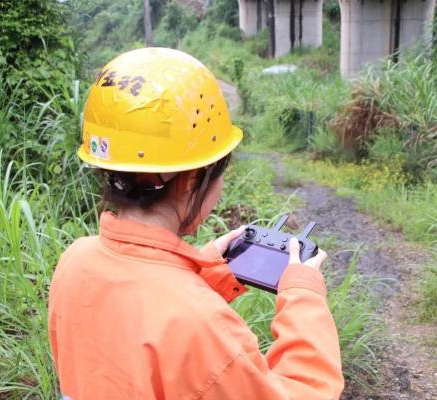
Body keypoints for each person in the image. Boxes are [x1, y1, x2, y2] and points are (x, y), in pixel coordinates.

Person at [48, 48, 344, 400]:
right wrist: (304, 298)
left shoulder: (75, 261)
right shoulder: (206, 328)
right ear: (191, 180)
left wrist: (202, 277)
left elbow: (139, 335)